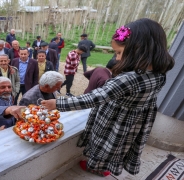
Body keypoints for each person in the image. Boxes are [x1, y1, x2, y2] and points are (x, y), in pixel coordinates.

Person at [34, 18, 175, 177]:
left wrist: (58, 103)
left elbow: (93, 98)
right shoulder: (158, 74)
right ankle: (104, 166)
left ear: (139, 49)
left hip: (114, 121)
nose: (118, 59)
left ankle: (98, 167)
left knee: (104, 146)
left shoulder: (129, 79)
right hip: (133, 123)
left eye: (119, 52)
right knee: (118, 147)